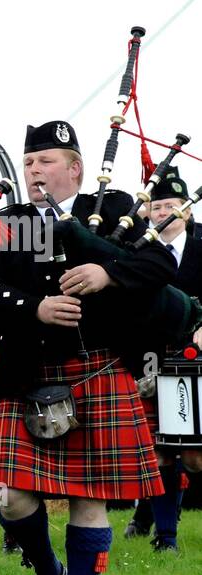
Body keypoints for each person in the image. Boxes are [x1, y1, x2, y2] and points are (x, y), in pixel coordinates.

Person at [0, 121, 173, 575]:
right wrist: (35, 308)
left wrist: (110, 273)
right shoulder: (10, 220)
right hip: (28, 372)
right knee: (10, 497)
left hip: (98, 369)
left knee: (90, 498)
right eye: (30, 162)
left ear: (75, 168)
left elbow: (158, 267)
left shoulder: (112, 208)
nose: (34, 170)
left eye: (46, 161)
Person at [124, 170, 200, 551]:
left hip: (198, 356)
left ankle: (146, 513)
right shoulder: (138, 247)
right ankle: (164, 537)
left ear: (186, 211)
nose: (165, 213)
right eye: (157, 207)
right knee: (158, 448)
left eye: (172, 205)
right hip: (151, 357)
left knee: (194, 455)